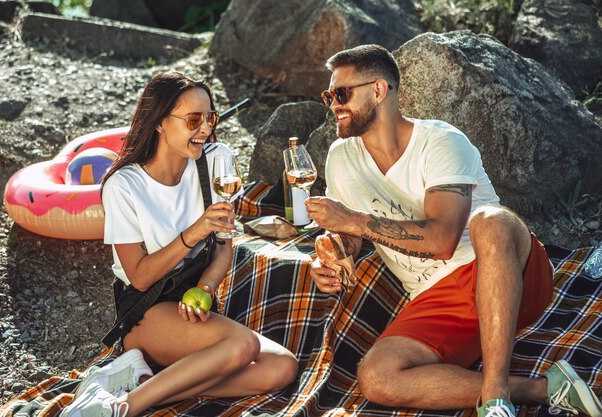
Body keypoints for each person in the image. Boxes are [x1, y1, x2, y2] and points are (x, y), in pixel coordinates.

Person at [307, 44, 602, 417]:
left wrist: (356, 222)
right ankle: (545, 389)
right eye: (328, 96)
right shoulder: (340, 157)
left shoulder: (440, 141)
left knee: (490, 220)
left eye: (342, 94)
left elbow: (443, 240)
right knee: (377, 377)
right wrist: (334, 253)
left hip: (505, 271)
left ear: (379, 90)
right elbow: (347, 234)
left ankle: (495, 400)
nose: (333, 104)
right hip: (436, 297)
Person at [61, 71, 298, 417]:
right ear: (159, 122)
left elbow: (223, 245)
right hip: (147, 311)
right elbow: (139, 277)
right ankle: (121, 408)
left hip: (195, 304)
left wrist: (206, 286)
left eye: (210, 118)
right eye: (193, 119)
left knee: (282, 367)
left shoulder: (217, 162)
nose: (205, 129)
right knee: (242, 345)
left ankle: (142, 382)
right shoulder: (124, 186)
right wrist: (193, 231)